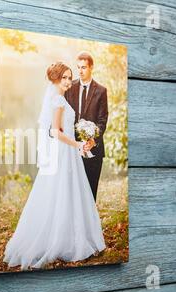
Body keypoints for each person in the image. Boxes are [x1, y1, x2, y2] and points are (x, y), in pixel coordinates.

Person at [3, 62, 106, 270]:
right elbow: (55, 132)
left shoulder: (57, 98)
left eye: (70, 77)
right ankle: (61, 240)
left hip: (67, 152)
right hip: (64, 152)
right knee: (61, 191)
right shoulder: (58, 100)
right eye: (64, 78)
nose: (68, 81)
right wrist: (77, 143)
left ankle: (67, 235)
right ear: (55, 79)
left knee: (67, 193)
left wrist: (82, 137)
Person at [65, 52, 108, 200]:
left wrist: (92, 140)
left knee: (90, 190)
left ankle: (90, 222)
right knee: (72, 190)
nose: (80, 71)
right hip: (72, 147)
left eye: (84, 67)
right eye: (78, 67)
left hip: (94, 149)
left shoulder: (101, 91)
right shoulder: (70, 87)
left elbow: (103, 120)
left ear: (91, 68)